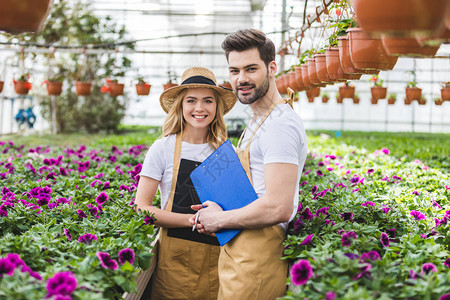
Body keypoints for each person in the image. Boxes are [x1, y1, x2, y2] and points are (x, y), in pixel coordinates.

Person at [191, 28, 308, 299]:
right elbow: (257, 191)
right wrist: (216, 208)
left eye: (251, 69)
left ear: (271, 68)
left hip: (258, 253)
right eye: (234, 71)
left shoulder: (280, 125)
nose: (241, 79)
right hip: (240, 247)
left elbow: (278, 206)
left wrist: (219, 219)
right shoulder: (258, 120)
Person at [135, 66, 237, 299]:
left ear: (217, 107)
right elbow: (142, 207)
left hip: (217, 262)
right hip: (174, 262)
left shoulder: (225, 152)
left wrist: (220, 221)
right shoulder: (162, 148)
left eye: (208, 101)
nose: (199, 108)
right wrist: (193, 220)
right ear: (180, 105)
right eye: (191, 100)